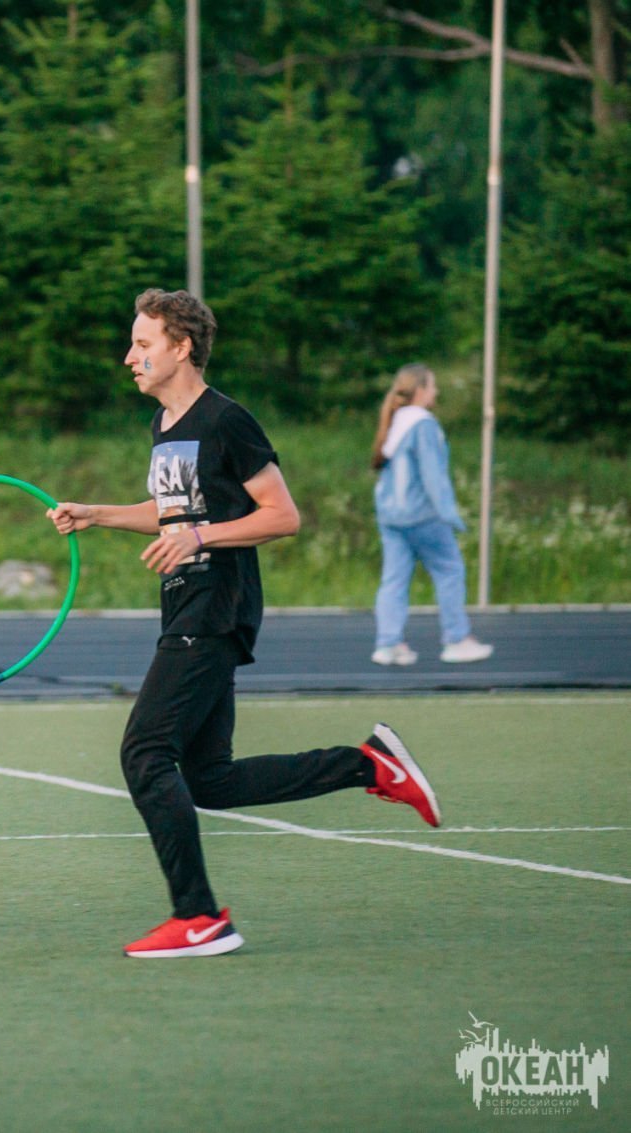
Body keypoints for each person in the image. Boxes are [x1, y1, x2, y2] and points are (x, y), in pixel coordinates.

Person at [45, 289, 443, 958]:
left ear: (181, 347)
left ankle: (198, 916)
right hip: (186, 604)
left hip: (216, 606)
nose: (129, 357)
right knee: (210, 780)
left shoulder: (228, 420)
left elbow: (282, 516)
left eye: (142, 345)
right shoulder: (165, 425)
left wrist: (200, 538)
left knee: (145, 753)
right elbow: (175, 510)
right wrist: (97, 514)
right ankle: (367, 764)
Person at [371, 364, 494, 666]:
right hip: (422, 514)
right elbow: (433, 476)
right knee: (449, 571)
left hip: (391, 516)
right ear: (421, 390)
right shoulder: (423, 424)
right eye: (433, 385)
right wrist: (450, 515)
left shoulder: (396, 421)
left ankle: (388, 644)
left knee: (394, 580)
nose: (436, 391)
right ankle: (456, 640)